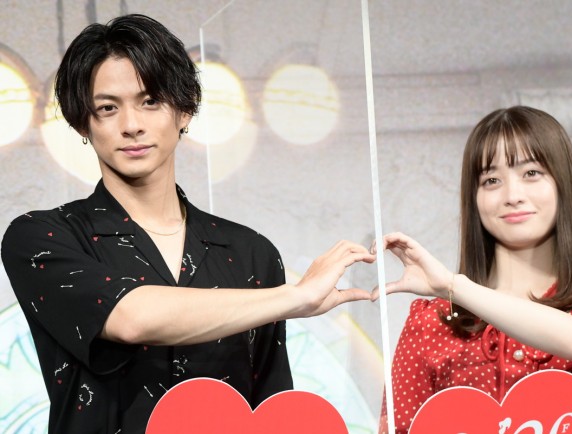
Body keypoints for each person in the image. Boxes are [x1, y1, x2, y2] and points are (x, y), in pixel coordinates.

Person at [0, 14, 375, 434]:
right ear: (83, 123)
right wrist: (296, 296)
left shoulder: (251, 254)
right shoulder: (42, 237)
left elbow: (271, 411)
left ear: (184, 111)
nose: (131, 125)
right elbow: (132, 318)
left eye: (150, 101)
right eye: (107, 108)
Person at [375, 106, 572, 434]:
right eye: (491, 180)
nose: (512, 196)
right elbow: (398, 428)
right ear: (474, 198)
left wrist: (453, 286)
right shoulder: (430, 323)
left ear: (563, 184)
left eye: (531, 173)